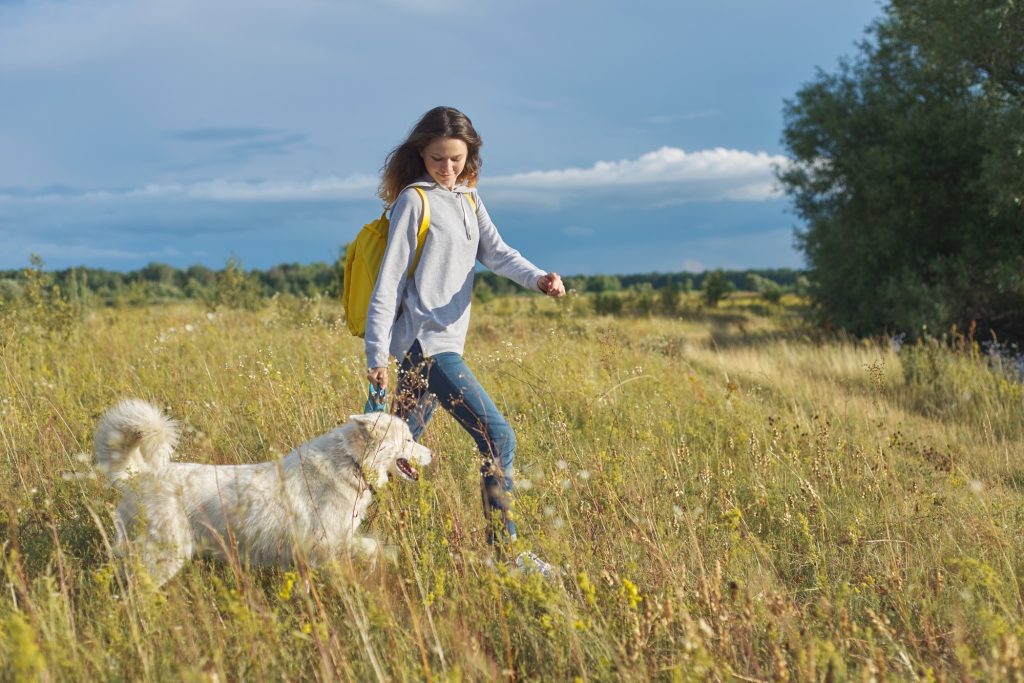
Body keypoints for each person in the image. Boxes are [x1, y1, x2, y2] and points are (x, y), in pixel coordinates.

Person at [364, 106, 565, 575]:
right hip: (427, 346)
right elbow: (388, 282)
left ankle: (334, 532)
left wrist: (539, 279)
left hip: (444, 344)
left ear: (470, 156)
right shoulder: (415, 200)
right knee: (498, 437)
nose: (447, 168)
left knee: (387, 453)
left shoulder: (470, 199)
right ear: (421, 154)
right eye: (437, 158)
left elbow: (498, 254)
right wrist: (377, 354)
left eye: (456, 159)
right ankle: (507, 556)